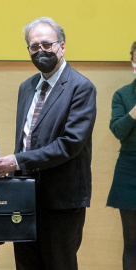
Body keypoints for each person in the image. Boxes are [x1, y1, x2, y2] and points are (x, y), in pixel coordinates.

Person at [0, 17, 97, 270]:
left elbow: (71, 144)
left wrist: (18, 161)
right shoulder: (26, 87)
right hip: (24, 195)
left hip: (61, 199)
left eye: (47, 44)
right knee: (26, 264)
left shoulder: (81, 87)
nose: (41, 51)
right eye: (34, 46)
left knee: (59, 264)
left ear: (62, 46)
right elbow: (25, 139)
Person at [106, 41, 136, 270]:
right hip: (129, 169)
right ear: (132, 62)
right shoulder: (122, 94)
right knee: (132, 243)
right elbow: (118, 130)